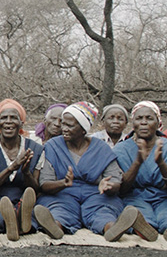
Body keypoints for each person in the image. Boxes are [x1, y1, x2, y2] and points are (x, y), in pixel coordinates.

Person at [32, 102, 137, 242]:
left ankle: (112, 229)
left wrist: (109, 186)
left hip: (96, 194)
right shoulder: (53, 146)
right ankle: (55, 227)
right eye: (64, 124)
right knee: (58, 210)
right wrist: (63, 183)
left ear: (83, 129)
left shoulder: (101, 148)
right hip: (63, 194)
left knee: (103, 211)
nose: (64, 128)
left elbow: (115, 180)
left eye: (70, 126)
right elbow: (44, 183)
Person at [113, 101, 167, 242]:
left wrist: (161, 163)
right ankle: (144, 227)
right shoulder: (121, 149)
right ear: (133, 124)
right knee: (138, 214)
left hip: (165, 198)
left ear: (158, 123)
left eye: (149, 118)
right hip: (135, 197)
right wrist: (137, 162)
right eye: (139, 119)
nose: (144, 122)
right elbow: (122, 189)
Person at [0, 99, 42, 241]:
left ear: (22, 123)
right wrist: (12, 168)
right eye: (4, 118)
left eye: (13, 118)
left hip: (24, 199)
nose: (8, 121)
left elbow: (36, 190)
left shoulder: (35, 148)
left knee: (35, 213)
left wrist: (26, 172)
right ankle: (14, 222)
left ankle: (20, 218)